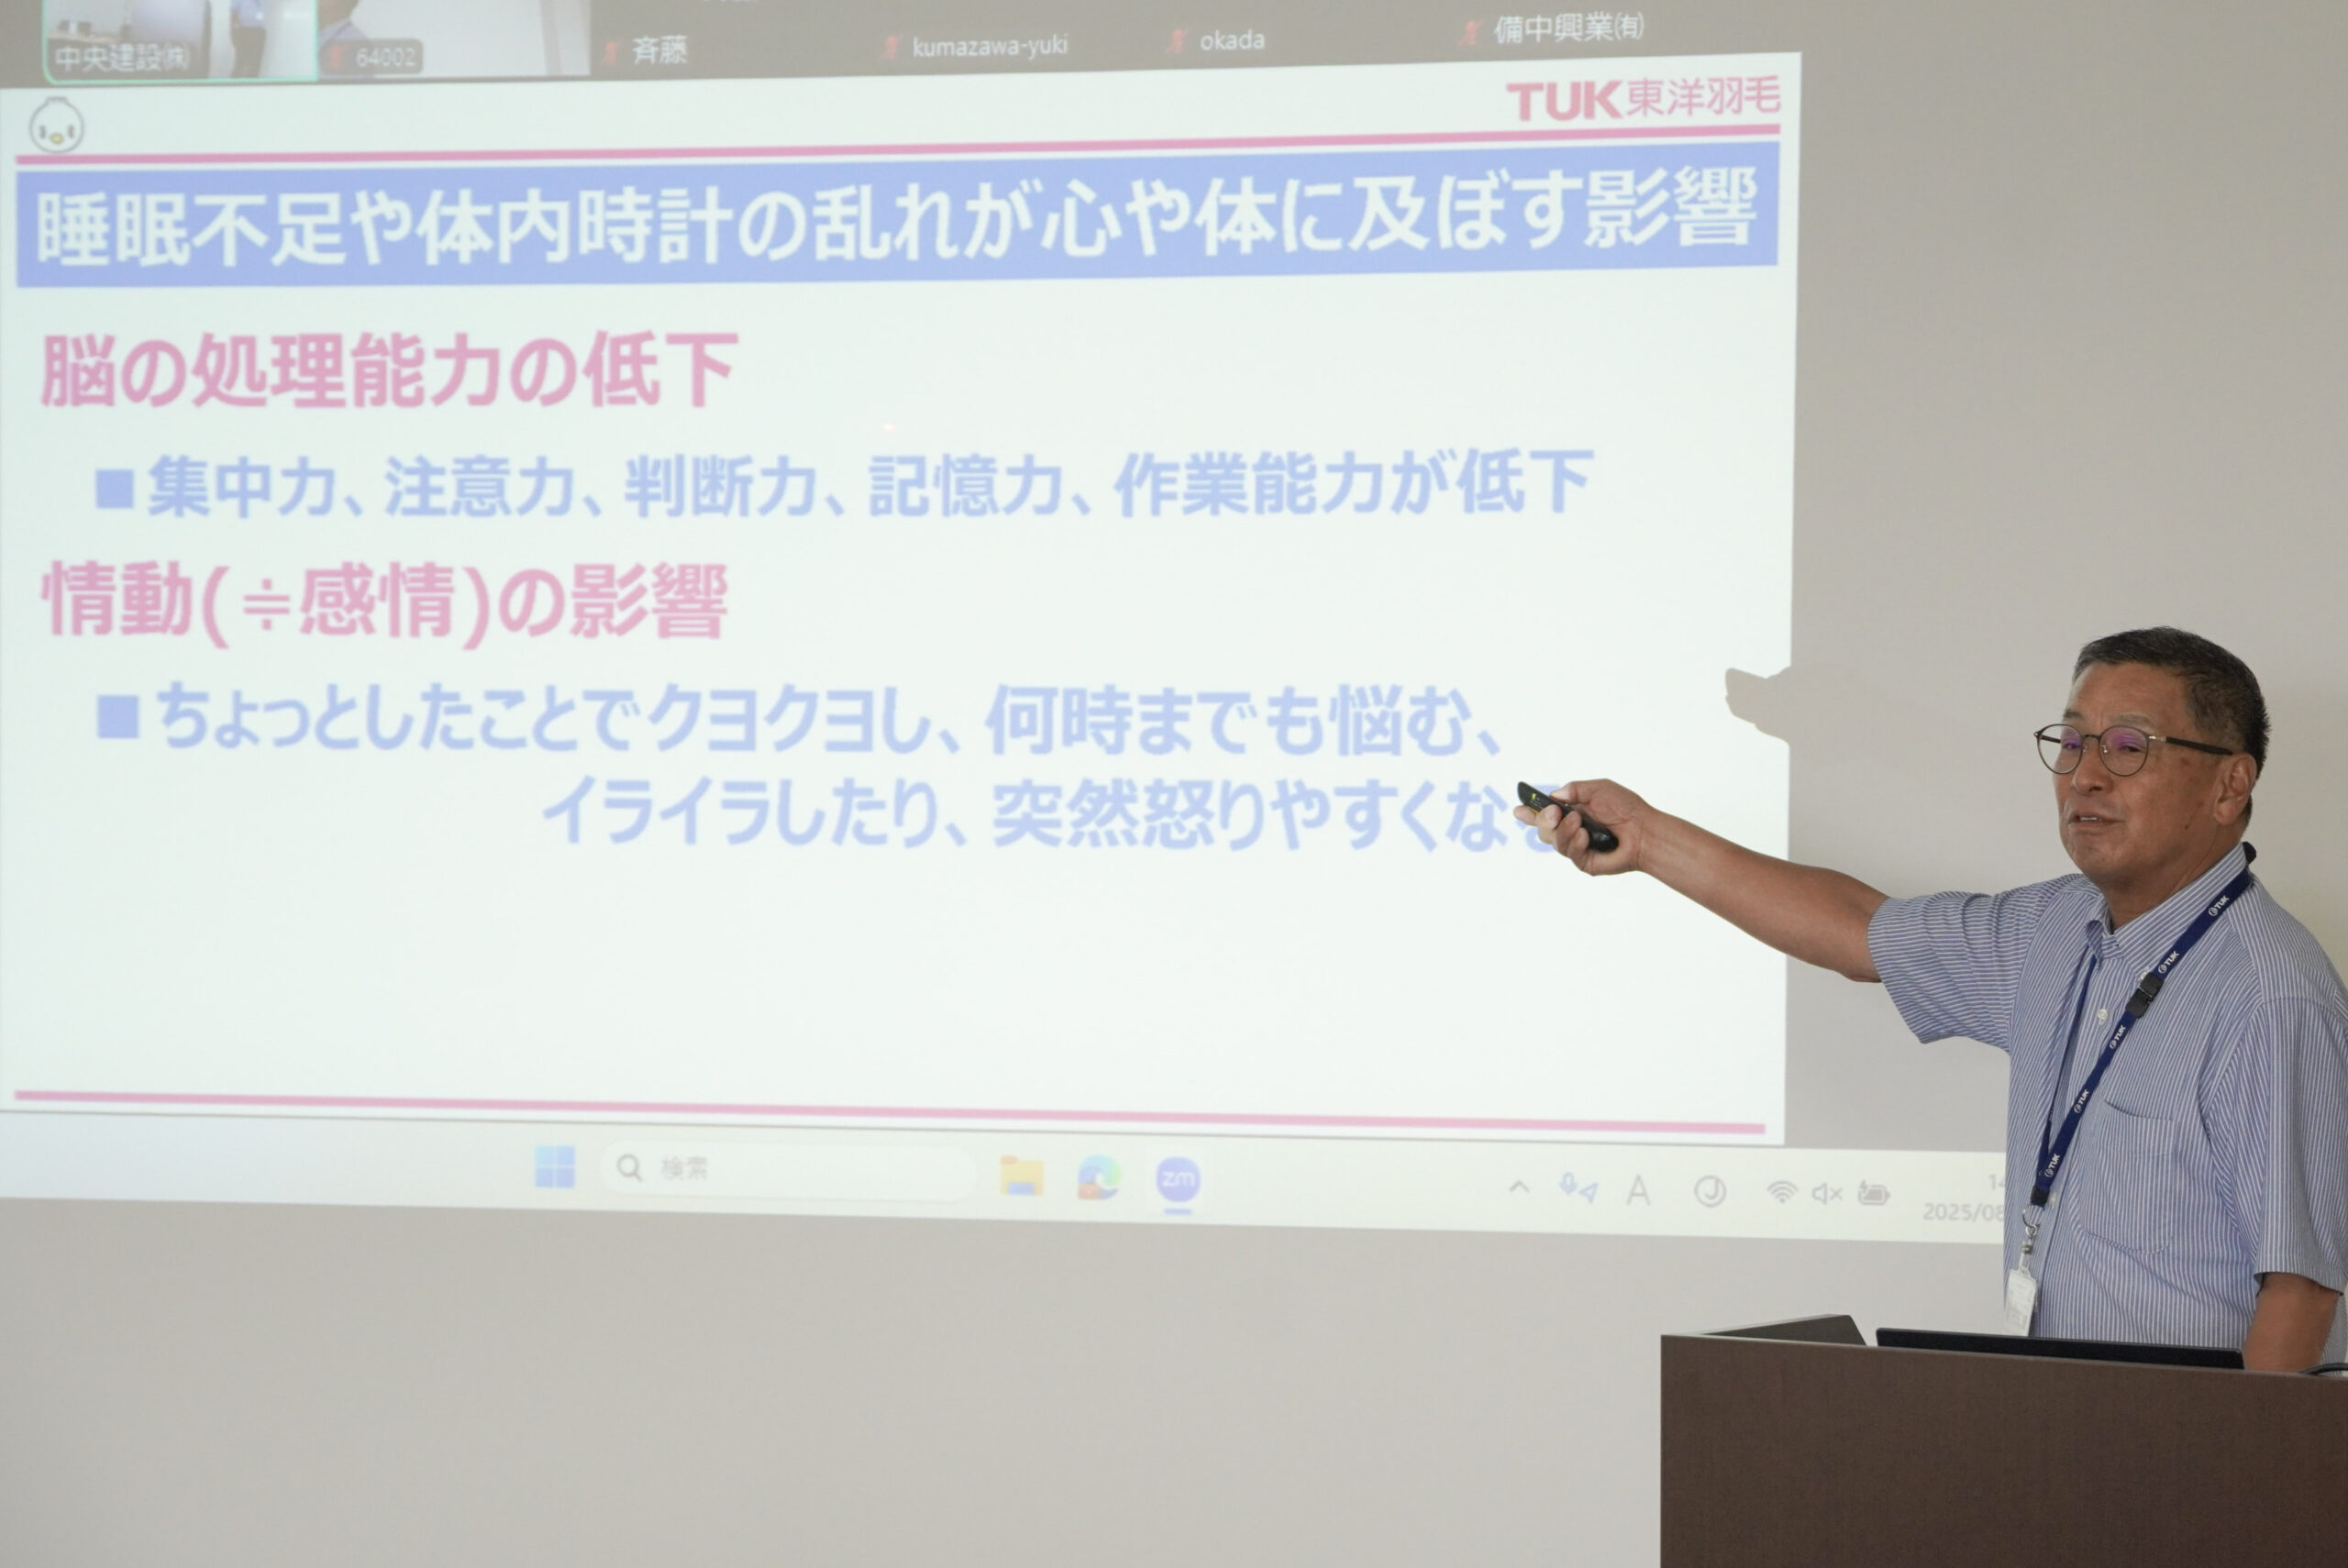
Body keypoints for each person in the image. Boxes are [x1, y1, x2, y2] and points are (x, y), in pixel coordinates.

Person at [1519, 627, 2348, 1370]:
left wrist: (2234, 1480)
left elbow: (2302, 1291)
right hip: (2063, 1439)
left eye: (2128, 746)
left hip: (2188, 1464)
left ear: (2229, 784)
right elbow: (1858, 931)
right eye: (2072, 742)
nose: (2086, 775)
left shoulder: (2271, 998)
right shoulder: (2052, 930)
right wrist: (1647, 837)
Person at [227, 0, 265, 78]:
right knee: (241, 60)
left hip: (259, 31)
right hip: (243, 30)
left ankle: (251, 82)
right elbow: (233, 12)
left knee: (255, 63)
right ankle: (234, 82)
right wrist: (233, 32)